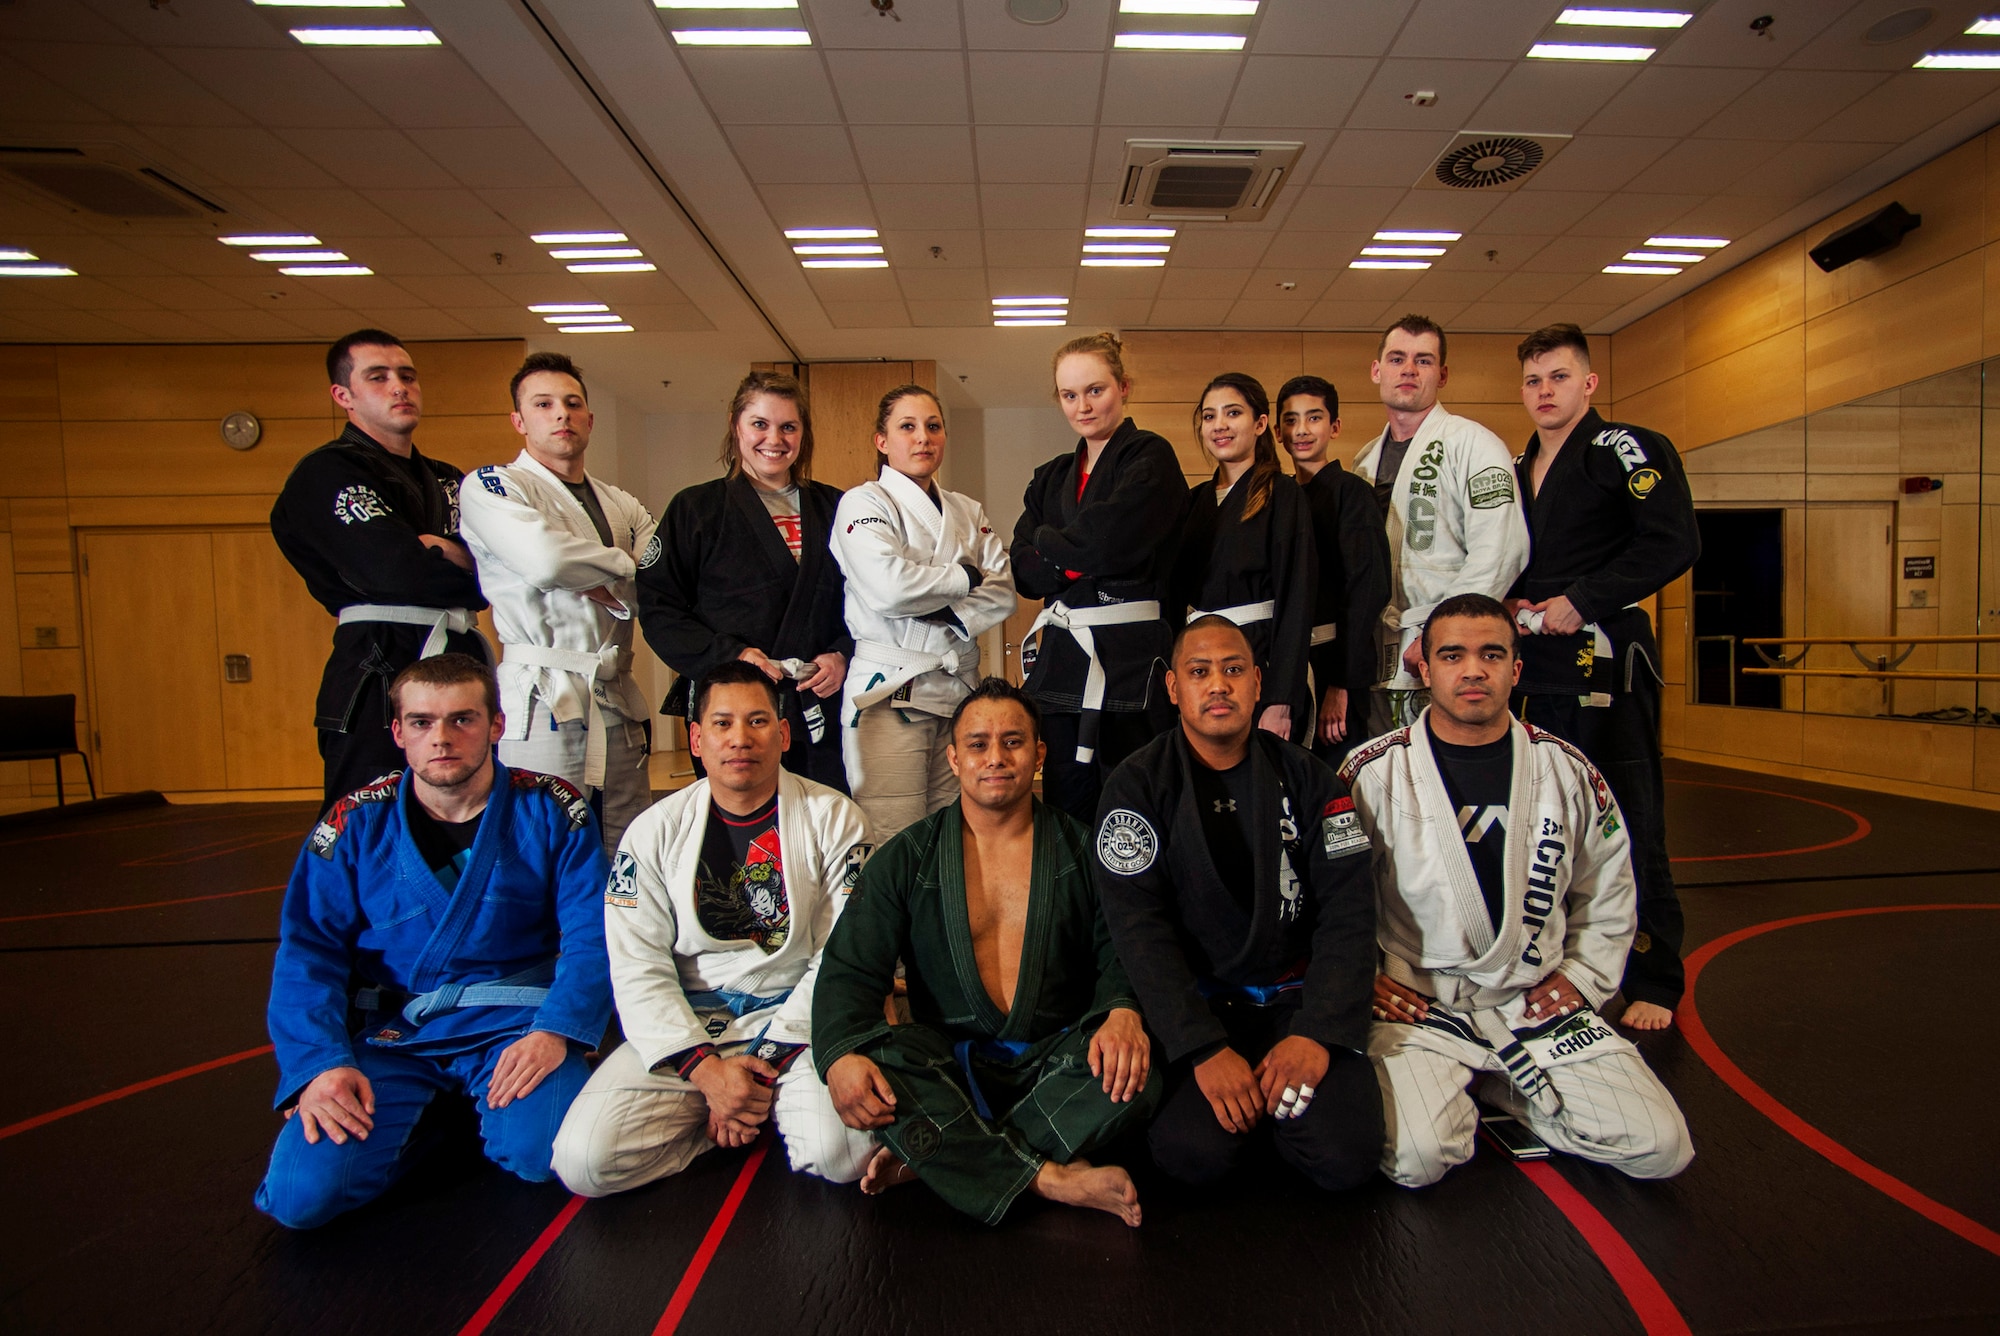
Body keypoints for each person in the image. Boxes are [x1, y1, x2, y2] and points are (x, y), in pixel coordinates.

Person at [1339, 594, 1693, 1188]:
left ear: (1516, 670)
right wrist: (1361, 975)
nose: (1472, 670)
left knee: (1662, 1147)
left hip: (1531, 999)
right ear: (1423, 669)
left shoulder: (1567, 769)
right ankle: (1478, 1080)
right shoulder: (1371, 772)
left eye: (1491, 654)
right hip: (1423, 1001)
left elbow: (1609, 890)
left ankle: (1502, 1084)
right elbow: (1333, 902)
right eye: (1452, 655)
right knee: (1417, 1160)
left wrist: (1583, 978)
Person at [256, 653, 612, 1229]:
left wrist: (557, 1031)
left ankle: (461, 1108)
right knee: (303, 1197)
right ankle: (433, 1113)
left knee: (544, 1154)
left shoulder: (552, 810)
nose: (441, 738)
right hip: (398, 1034)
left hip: (515, 1029)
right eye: (422, 722)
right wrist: (320, 1065)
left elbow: (593, 939)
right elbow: (308, 953)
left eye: (462, 720)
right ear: (398, 732)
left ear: (496, 726)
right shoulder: (354, 824)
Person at [813, 678, 1160, 1226]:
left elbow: (1121, 947)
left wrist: (1121, 1009)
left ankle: (942, 1155)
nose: (995, 757)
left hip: (1056, 1057)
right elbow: (850, 970)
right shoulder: (906, 858)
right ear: (952, 758)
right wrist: (839, 1055)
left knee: (1138, 1069)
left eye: (1013, 742)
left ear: (1040, 753)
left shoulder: (1082, 848)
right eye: (977, 744)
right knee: (879, 1062)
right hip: (949, 1062)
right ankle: (1048, 1178)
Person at [551, 661, 877, 1195]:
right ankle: (729, 1116)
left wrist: (759, 1065)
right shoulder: (652, 832)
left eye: (757, 722)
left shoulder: (836, 818)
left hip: (795, 1017)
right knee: (583, 1162)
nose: (740, 739)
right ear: (697, 739)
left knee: (841, 1153)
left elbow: (843, 955)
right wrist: (706, 1072)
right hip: (693, 1019)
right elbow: (638, 964)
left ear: (784, 734)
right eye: (722, 724)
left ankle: (750, 1105)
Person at [1094, 616, 1381, 1192]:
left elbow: (1349, 915)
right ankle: (1259, 1114)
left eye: (1232, 670)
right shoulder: (1136, 786)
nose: (1217, 685)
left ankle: (1275, 1111)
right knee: (1188, 1155)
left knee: (1346, 1156)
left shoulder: (1313, 780)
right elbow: (1137, 929)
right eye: (1199, 672)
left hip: (1294, 1003)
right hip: (1199, 1008)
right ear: (1174, 688)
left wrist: (1317, 1032)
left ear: (1257, 683)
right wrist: (1201, 1048)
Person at [1508, 324, 1700, 1033]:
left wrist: (1584, 599)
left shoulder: (1623, 448)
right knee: (1549, 823)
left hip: (1605, 656)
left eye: (1558, 377)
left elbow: (1673, 539)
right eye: (1533, 381)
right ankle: (1565, 962)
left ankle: (1654, 973)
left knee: (1627, 815)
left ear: (1588, 383)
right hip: (1536, 664)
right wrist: (1512, 600)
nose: (1545, 392)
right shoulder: (1519, 462)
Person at [271, 330, 489, 811]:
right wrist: (448, 556)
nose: (399, 387)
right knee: (367, 814)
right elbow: (395, 572)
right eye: (379, 377)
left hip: (456, 653)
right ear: (343, 396)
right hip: (376, 661)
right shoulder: (325, 474)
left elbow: (488, 579)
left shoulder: (449, 479)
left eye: (407, 376)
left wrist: (439, 551)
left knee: (464, 807)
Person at [459, 352, 657, 856]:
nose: (561, 414)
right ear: (519, 421)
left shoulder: (620, 502)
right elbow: (545, 560)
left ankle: (617, 938)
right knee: (542, 839)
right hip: (543, 694)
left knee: (626, 846)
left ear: (590, 419)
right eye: (543, 404)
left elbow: (660, 578)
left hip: (613, 691)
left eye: (572, 404)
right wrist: (622, 565)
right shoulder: (493, 485)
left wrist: (602, 576)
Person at [637, 371, 850, 791]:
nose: (775, 438)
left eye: (789, 426)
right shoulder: (695, 508)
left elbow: (869, 599)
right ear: (736, 425)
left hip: (820, 700)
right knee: (739, 822)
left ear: (803, 434)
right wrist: (730, 656)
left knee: (824, 822)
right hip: (732, 705)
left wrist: (843, 654)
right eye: (760, 424)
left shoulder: (837, 506)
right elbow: (660, 607)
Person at [1010, 331, 1186, 823]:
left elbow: (1107, 541)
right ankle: (1079, 901)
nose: (1082, 406)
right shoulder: (1050, 475)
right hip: (1065, 656)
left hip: (1133, 656)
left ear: (1123, 387)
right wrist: (1071, 552)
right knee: (1067, 799)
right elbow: (1023, 571)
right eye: (1070, 395)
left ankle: (1133, 900)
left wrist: (1050, 544)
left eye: (1095, 390)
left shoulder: (1150, 456)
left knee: (1135, 801)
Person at [832, 385, 1017, 845]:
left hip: (957, 689)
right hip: (889, 691)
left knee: (955, 833)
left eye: (933, 427)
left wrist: (946, 612)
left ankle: (944, 918)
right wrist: (962, 577)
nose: (923, 438)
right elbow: (887, 587)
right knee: (891, 838)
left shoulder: (967, 510)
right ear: (882, 440)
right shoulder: (864, 503)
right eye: (907, 427)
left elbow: (1004, 593)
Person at [1351, 315, 1528, 733]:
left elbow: (1501, 551)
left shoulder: (1475, 445)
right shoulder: (1364, 460)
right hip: (1377, 650)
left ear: (1442, 374)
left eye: (1423, 360)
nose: (1409, 370)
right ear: (1377, 371)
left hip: (1442, 648)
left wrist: (1441, 636)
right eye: (1397, 359)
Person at [1170, 372, 1316, 744]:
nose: (1219, 425)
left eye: (1232, 413)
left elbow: (1297, 599)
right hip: (1200, 664)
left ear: (1260, 424)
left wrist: (1281, 699)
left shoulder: (1282, 494)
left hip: (1259, 659)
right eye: (1209, 416)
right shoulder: (1193, 501)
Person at [1276, 374, 1392, 767]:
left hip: (1335, 666)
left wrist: (1340, 685)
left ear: (1335, 427)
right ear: (1276, 431)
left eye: (1314, 418)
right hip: (1292, 665)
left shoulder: (1351, 492)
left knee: (1337, 780)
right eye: (1291, 420)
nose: (1301, 430)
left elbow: (1368, 590)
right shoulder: (1281, 495)